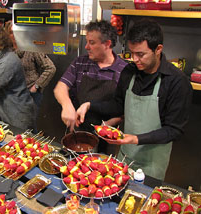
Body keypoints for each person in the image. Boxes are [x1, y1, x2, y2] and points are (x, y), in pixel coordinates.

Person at [76, 19, 193, 180]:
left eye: (141, 54)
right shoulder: (129, 72)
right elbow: (118, 105)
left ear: (158, 49)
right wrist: (89, 105)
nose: (135, 59)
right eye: (132, 53)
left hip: (152, 162)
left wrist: (135, 139)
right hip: (125, 155)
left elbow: (174, 130)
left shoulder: (176, 82)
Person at [53, 20, 127, 153]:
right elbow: (60, 87)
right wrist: (67, 105)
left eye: (91, 43)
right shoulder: (81, 62)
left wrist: (103, 127)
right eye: (87, 41)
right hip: (78, 129)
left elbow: (127, 109)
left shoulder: (124, 70)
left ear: (107, 44)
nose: (86, 47)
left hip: (107, 135)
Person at [5, 21, 56, 109]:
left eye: (17, 31)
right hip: (13, 94)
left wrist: (36, 86)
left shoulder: (32, 48)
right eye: (11, 32)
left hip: (30, 95)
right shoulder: (7, 51)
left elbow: (50, 68)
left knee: (28, 122)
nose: (14, 35)